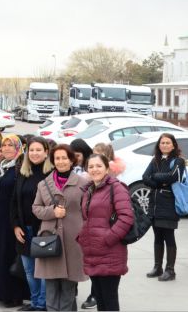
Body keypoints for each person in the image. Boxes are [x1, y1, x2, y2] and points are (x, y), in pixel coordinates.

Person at [32, 144, 86, 311]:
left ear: (71, 160)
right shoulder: (43, 184)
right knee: (51, 288)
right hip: (50, 241)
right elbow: (36, 208)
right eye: (57, 158)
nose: (61, 161)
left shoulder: (83, 183)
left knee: (69, 289)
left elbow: (88, 210)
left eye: (64, 158)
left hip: (73, 241)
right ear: (53, 161)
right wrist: (52, 211)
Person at [79, 154, 134, 312]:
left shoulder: (116, 187)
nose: (94, 169)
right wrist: (83, 238)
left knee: (109, 301)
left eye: (98, 166)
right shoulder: (89, 189)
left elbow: (126, 217)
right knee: (101, 301)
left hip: (110, 252)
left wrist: (108, 238)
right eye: (91, 166)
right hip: (92, 252)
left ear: (107, 168)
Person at [0, 135, 29, 308]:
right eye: (4, 146)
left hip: (10, 221)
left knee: (9, 256)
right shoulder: (1, 167)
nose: (7, 149)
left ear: (18, 148)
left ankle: (13, 295)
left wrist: (16, 221)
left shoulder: (20, 168)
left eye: (11, 145)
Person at [10, 137, 53, 311]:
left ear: (46, 152)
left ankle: (42, 304)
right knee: (29, 270)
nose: (34, 153)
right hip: (24, 229)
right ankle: (34, 302)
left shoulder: (51, 174)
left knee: (43, 271)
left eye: (38, 150)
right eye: (31, 150)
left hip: (43, 230)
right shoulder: (23, 173)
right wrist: (15, 226)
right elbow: (13, 202)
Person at [142, 133, 183, 281]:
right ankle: (157, 267)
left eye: (167, 142)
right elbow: (145, 177)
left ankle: (170, 270)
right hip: (155, 204)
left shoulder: (178, 161)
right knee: (157, 236)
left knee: (168, 236)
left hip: (169, 204)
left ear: (173, 145)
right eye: (162, 143)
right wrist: (160, 181)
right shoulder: (155, 160)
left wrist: (156, 177)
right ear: (158, 145)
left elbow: (172, 177)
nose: (164, 145)